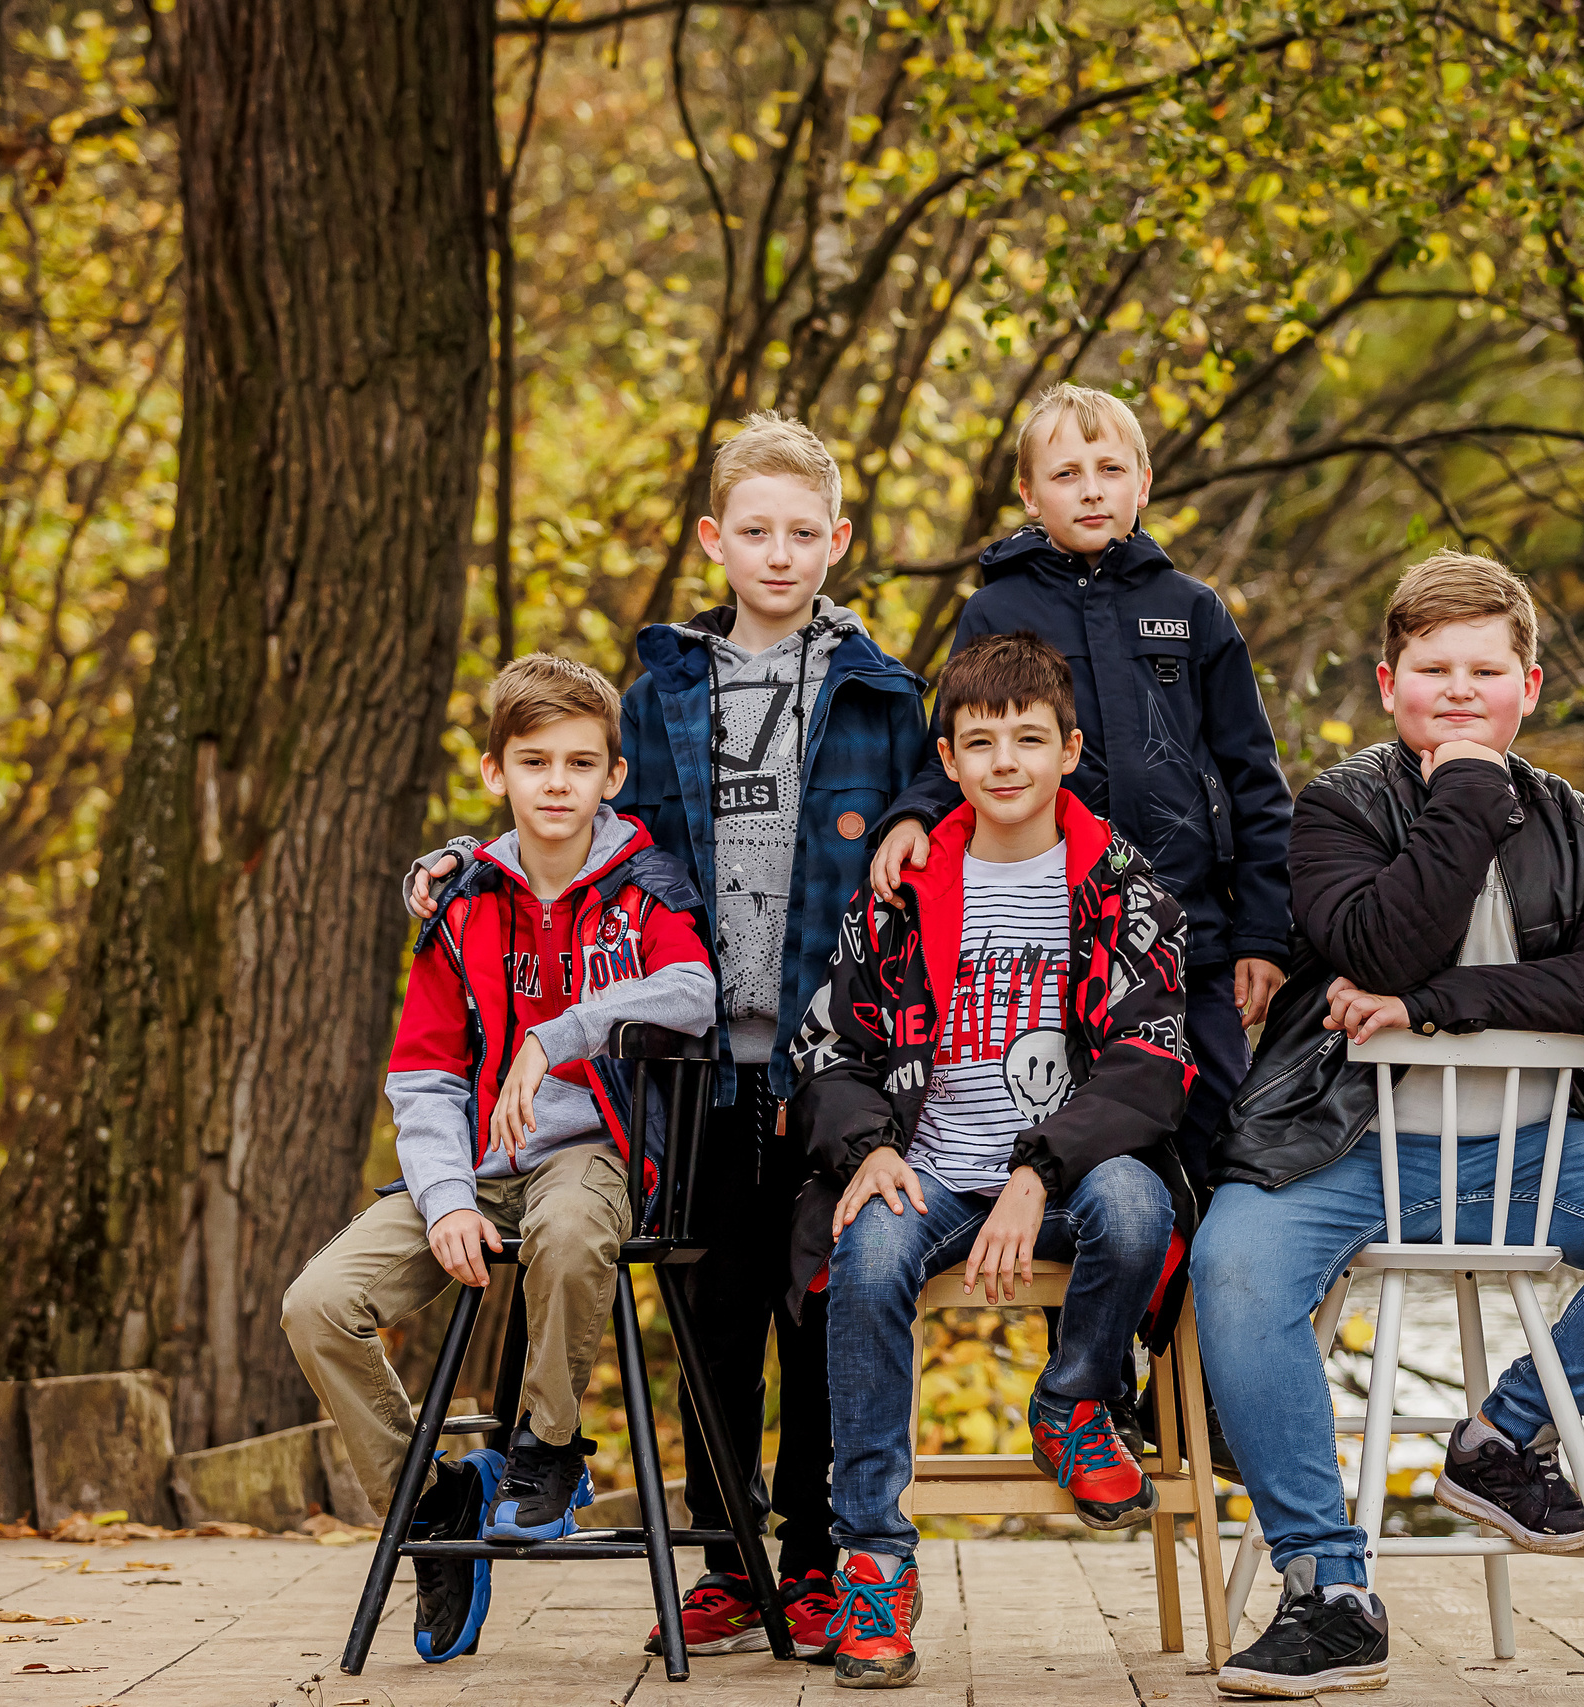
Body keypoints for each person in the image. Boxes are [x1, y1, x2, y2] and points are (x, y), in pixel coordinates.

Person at [1191, 552, 1584, 1698]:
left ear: (1531, 685)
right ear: (1387, 681)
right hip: (1349, 1148)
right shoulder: (1338, 809)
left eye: (1484, 670)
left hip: (1528, 1156)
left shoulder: (1583, 828)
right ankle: (1327, 1588)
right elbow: (1376, 946)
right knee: (1234, 1267)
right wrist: (1460, 793)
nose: (1459, 690)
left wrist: (1438, 1008)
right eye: (1434, 669)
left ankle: (1502, 1438)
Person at [402, 413, 928, 1657]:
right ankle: (728, 1557)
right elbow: (575, 824)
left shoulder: (878, 690)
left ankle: (810, 1559)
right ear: (715, 541)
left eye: (805, 533)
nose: (781, 553)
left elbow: (929, 800)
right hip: (690, 1070)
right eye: (756, 532)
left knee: (813, 1308)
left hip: (827, 1061)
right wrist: (461, 863)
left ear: (838, 541)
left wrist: (908, 813)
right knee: (710, 1311)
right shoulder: (665, 691)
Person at [282, 653, 716, 1665]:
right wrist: (441, 1201)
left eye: (579, 762)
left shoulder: (642, 885)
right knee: (317, 1302)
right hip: (474, 1168)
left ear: (613, 775)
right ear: (495, 774)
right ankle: (431, 1500)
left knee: (567, 1232)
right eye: (533, 762)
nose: (556, 783)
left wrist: (560, 1032)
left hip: (590, 1155)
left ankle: (546, 1452)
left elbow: (693, 994)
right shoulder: (463, 904)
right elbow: (425, 1074)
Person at [789, 633, 1202, 1688]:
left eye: (1029, 739)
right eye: (982, 743)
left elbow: (1151, 1060)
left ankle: (1073, 1400)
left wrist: (1039, 1170)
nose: (1006, 761)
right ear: (950, 759)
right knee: (867, 1256)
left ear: (1069, 751)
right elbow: (827, 1045)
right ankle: (874, 1560)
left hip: (1062, 1182)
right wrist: (869, 1150)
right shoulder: (903, 888)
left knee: (1137, 1204)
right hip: (924, 1175)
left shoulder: (1119, 883)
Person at [867, 383, 1291, 1188]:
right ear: (1029, 494)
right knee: (1077, 1153)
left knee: (1224, 1144)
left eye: (1109, 469)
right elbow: (948, 752)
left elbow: (1254, 778)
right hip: (1057, 944)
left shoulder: (1193, 610)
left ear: (1143, 481)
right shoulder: (997, 609)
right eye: (1066, 474)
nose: (1091, 489)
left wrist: (1264, 936)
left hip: (1192, 939)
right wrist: (912, 817)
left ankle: (1194, 1311)